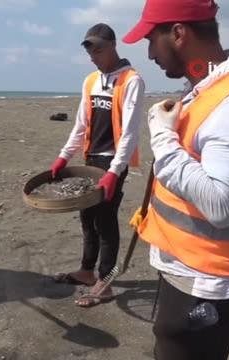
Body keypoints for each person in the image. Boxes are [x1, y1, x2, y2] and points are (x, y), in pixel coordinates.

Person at [122, 0, 229, 359]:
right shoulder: (207, 91)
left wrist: (162, 138)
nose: (149, 53)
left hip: (208, 283)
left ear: (178, 33)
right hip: (191, 270)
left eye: (150, 39)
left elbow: (222, 205)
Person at [50, 23, 145, 307]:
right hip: (90, 159)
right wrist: (64, 156)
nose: (94, 56)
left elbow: (129, 133)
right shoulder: (90, 80)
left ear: (113, 47)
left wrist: (115, 172)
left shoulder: (132, 80)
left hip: (113, 160)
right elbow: (81, 124)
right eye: (90, 51)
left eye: (99, 50)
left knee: (105, 221)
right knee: (87, 219)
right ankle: (86, 271)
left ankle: (105, 281)